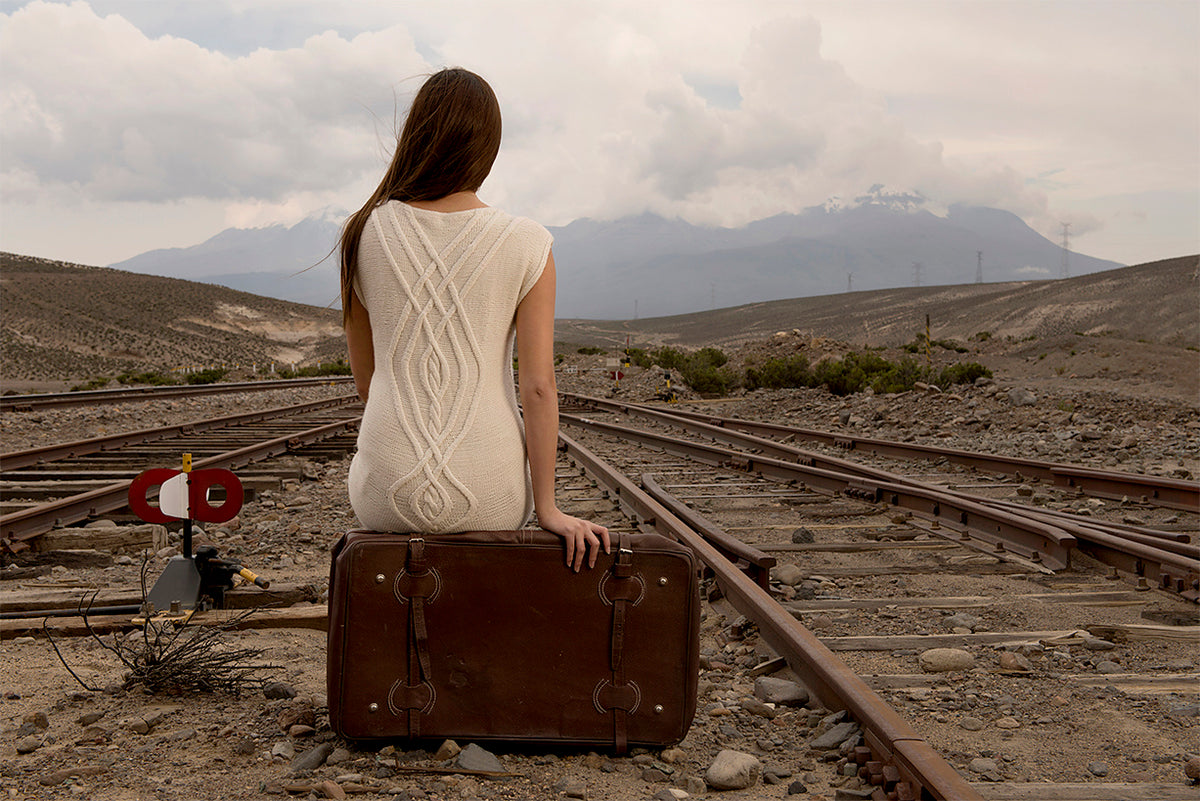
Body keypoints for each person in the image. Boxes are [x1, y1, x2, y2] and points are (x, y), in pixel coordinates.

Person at [340, 67, 609, 572]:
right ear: (488, 147)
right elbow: (538, 388)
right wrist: (548, 509)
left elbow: (367, 384)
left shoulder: (363, 231)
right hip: (491, 496)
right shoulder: (530, 242)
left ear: (415, 135)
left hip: (384, 494)